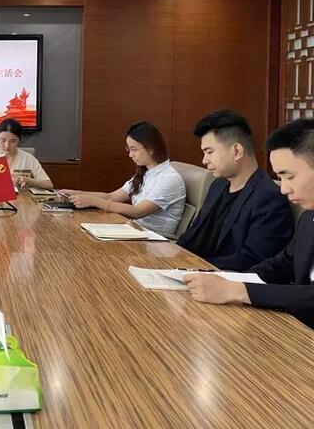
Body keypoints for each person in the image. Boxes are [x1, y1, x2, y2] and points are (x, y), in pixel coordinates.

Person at [183, 118, 314, 328]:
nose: (283, 189)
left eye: (289, 177)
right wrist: (229, 281)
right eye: (280, 178)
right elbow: (282, 263)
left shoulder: (269, 197)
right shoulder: (309, 218)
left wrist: (240, 291)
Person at [176, 110, 292, 270]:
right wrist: (171, 256)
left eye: (209, 152)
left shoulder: (269, 198)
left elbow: (252, 260)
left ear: (237, 151)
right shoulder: (217, 185)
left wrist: (195, 268)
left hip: (221, 278)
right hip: (190, 270)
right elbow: (193, 234)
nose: (204, 160)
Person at [63, 121, 186, 237]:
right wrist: (76, 193)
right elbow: (111, 196)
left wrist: (94, 201)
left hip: (155, 240)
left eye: (134, 149)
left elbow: (137, 212)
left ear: (151, 148)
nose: (130, 155)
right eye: (129, 149)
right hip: (136, 231)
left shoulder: (169, 178)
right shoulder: (146, 173)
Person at [0, 118, 52, 190]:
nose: (7, 146)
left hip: (22, 197)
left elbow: (49, 185)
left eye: (12, 141)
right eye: (3, 140)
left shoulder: (28, 159)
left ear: (19, 140)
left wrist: (31, 181)